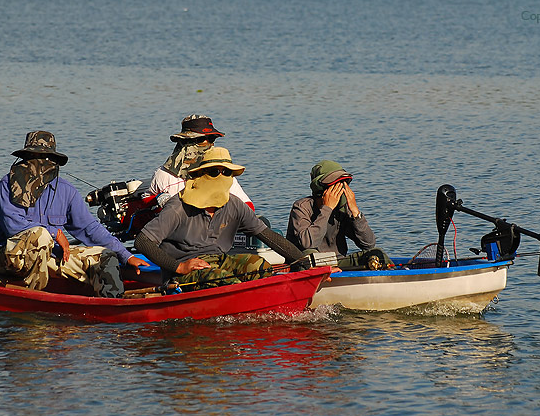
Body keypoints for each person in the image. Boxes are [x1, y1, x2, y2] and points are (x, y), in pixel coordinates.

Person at [0, 130, 149, 297]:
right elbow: (12, 227)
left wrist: (126, 256)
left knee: (105, 256)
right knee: (41, 235)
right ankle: (35, 303)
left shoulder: (66, 190)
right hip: (8, 258)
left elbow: (89, 228)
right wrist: (54, 234)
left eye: (46, 159)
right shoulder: (7, 185)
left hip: (52, 257)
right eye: (33, 158)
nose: (40, 164)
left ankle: (113, 307)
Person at [133, 146, 308, 290]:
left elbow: (268, 236)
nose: (223, 177)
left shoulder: (234, 204)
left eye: (227, 172)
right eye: (216, 172)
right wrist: (178, 267)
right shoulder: (178, 207)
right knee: (224, 281)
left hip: (220, 261)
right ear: (202, 174)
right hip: (184, 270)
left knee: (259, 266)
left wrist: (304, 264)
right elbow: (142, 242)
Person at [287, 160, 393, 270]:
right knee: (310, 253)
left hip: (338, 263)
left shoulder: (342, 209)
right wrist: (327, 209)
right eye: (335, 186)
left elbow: (368, 244)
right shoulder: (301, 207)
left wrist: (355, 214)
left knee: (376, 254)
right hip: (309, 267)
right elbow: (307, 244)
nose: (340, 189)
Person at [146, 114, 254, 210]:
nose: (208, 144)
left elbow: (248, 206)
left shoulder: (221, 172)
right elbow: (145, 202)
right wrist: (158, 200)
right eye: (201, 140)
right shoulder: (165, 175)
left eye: (211, 139)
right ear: (185, 142)